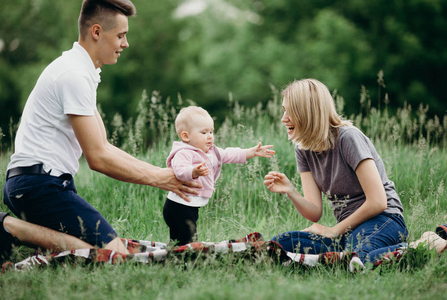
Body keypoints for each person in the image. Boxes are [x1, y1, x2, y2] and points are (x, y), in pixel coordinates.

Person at [3, 0, 200, 256]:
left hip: (40, 185)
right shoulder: (72, 74)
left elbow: (105, 147)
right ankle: (8, 227)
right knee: (114, 255)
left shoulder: (82, 71)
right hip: (37, 186)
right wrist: (160, 179)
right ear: (97, 32)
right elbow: (98, 159)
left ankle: (26, 235)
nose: (125, 43)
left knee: (103, 250)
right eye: (121, 35)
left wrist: (163, 174)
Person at [263, 78, 408, 263]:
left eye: (290, 112)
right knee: (278, 245)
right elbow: (314, 212)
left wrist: (333, 231)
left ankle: (420, 245)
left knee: (358, 259)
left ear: (308, 113)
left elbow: (378, 202)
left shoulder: (348, 138)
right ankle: (339, 256)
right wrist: (290, 191)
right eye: (284, 111)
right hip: (347, 232)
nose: (284, 119)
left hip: (383, 220)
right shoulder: (302, 150)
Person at [163, 106, 275, 245]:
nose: (210, 136)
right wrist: (193, 171)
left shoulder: (210, 152)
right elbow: (179, 170)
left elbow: (229, 154)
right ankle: (184, 261)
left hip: (190, 205)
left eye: (211, 131)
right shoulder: (184, 152)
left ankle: (175, 255)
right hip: (178, 206)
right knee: (187, 239)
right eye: (204, 132)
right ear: (186, 136)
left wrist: (250, 152)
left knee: (180, 239)